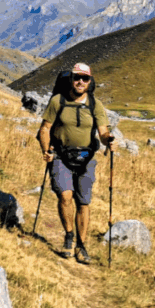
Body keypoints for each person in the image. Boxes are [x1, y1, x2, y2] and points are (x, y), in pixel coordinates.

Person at [37, 63, 115, 264]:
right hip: (61, 156)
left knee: (84, 202)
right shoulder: (57, 101)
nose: (81, 82)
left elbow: (103, 132)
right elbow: (45, 129)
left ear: (90, 81)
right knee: (65, 195)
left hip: (87, 159)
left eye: (85, 78)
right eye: (77, 77)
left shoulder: (95, 105)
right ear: (71, 79)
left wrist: (109, 140)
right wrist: (46, 150)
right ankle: (69, 235)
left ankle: (81, 245)